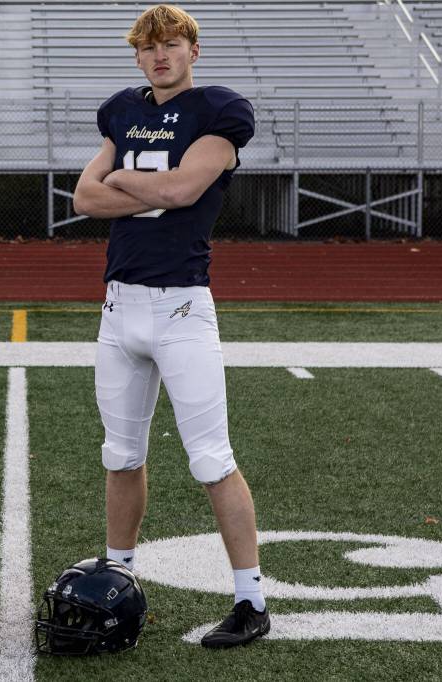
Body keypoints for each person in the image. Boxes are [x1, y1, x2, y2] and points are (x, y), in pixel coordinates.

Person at [72, 4, 269, 649]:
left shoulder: (218, 110)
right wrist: (149, 184)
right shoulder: (122, 110)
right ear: (137, 55)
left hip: (182, 305)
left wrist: (130, 177)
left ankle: (251, 600)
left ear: (193, 49)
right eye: (149, 47)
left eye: (173, 44)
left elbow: (183, 191)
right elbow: (84, 198)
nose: (161, 56)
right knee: (120, 454)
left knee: (212, 459)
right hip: (118, 306)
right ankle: (120, 574)